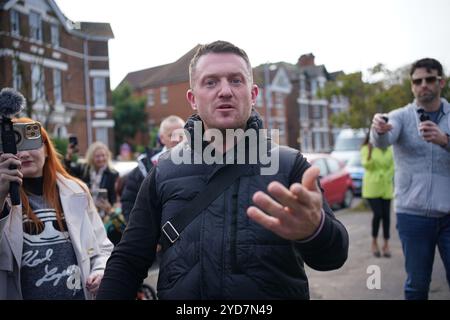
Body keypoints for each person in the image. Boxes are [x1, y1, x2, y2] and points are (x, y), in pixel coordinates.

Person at [97, 40, 348, 300]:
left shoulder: (290, 166)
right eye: (211, 82)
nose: (225, 91)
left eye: (236, 80)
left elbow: (334, 257)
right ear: (193, 99)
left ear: (253, 94)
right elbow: (129, 260)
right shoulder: (164, 172)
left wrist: (315, 230)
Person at [0, 118, 113, 299]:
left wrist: (100, 271)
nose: (24, 154)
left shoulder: (77, 191)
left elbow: (102, 248)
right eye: (16, 146)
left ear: (46, 149)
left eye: (31, 143)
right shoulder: (3, 199)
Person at [370, 58, 450, 300]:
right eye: (417, 81)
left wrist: (445, 141)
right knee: (417, 284)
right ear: (412, 86)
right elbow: (382, 142)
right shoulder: (401, 117)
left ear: (441, 82)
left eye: (429, 79)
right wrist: (378, 130)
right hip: (412, 215)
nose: (423, 85)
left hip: (449, 214)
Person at [121, 115, 185, 222]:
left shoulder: (200, 161)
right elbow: (129, 201)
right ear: (162, 138)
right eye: (171, 135)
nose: (177, 140)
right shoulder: (146, 165)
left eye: (181, 135)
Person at [360, 131, 394, 258]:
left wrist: (386, 176)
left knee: (386, 216)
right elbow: (366, 165)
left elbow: (393, 166)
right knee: (378, 214)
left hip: (386, 186)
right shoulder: (366, 148)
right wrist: (369, 152)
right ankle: (374, 242)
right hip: (372, 187)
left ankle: (386, 244)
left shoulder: (390, 149)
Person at [65, 141, 119, 218]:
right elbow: (66, 171)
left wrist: (109, 208)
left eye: (103, 156)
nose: (101, 159)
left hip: (103, 215)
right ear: (91, 157)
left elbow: (114, 198)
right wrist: (69, 155)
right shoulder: (83, 169)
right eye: (97, 156)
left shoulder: (113, 174)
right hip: (84, 213)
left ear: (107, 156)